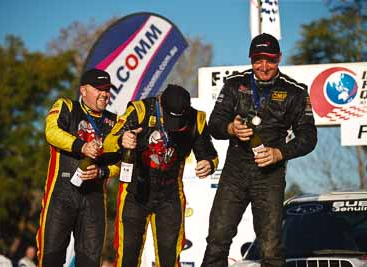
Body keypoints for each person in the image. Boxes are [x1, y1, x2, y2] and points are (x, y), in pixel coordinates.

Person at [201, 33, 317, 267]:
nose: (264, 67)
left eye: (270, 60)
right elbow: (213, 125)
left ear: (279, 58)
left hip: (269, 175)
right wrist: (231, 128)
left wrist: (279, 153)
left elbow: (309, 137)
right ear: (250, 59)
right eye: (258, 60)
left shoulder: (295, 92)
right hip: (234, 173)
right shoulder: (234, 84)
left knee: (271, 247)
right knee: (217, 240)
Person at [103, 84, 219, 267]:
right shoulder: (139, 111)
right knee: (127, 258)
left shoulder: (196, 119)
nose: (175, 126)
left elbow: (210, 156)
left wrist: (208, 164)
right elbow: (108, 142)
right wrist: (121, 139)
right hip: (135, 194)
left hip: (170, 197)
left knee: (170, 259)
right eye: (170, 119)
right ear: (160, 104)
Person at [36, 69, 121, 267]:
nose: (105, 94)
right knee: (51, 258)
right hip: (61, 195)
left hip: (94, 200)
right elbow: (51, 132)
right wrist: (81, 146)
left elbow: (120, 162)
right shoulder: (66, 106)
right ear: (83, 90)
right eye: (99, 89)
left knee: (90, 262)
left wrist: (103, 172)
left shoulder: (114, 121)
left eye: (108, 89)